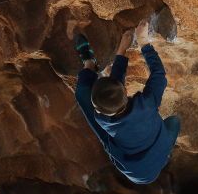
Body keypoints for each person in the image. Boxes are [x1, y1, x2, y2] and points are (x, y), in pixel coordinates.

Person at [73, 19, 180, 184]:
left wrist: (123, 50)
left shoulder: (104, 118)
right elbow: (158, 74)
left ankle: (89, 63)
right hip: (141, 170)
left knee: (174, 122)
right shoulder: (147, 104)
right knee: (175, 121)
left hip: (135, 160)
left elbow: (116, 88)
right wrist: (142, 42)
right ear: (125, 90)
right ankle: (89, 64)